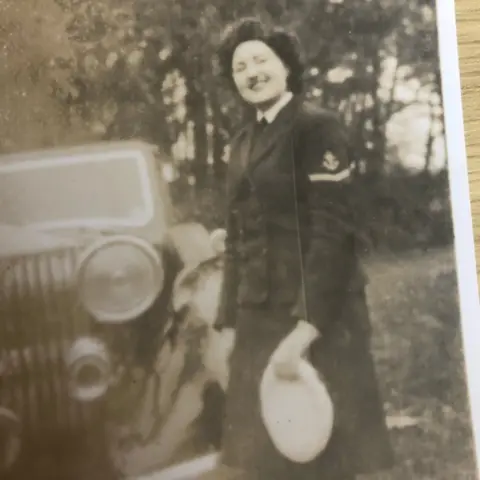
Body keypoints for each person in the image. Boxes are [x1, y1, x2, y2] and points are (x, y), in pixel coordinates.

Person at [213, 17, 395, 480]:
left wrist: (305, 330)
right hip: (259, 315)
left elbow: (334, 236)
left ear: (286, 67)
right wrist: (230, 324)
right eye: (240, 67)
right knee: (268, 458)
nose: (252, 72)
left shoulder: (317, 128)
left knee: (326, 456)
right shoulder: (239, 145)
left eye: (261, 60)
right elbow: (236, 239)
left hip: (318, 316)